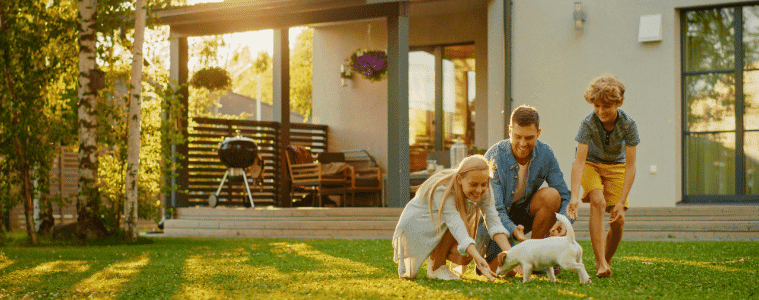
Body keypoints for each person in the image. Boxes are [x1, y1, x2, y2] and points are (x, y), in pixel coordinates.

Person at [480, 104, 573, 273]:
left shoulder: (545, 153)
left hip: (522, 215)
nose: (523, 143)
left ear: (538, 133)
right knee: (507, 271)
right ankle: (493, 260)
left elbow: (564, 194)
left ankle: (536, 258)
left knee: (552, 195)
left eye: (529, 137)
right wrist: (513, 231)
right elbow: (495, 209)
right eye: (518, 136)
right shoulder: (494, 157)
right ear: (510, 131)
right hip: (494, 220)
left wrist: (565, 221)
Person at [392, 155, 511, 282]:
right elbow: (455, 225)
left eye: (484, 184)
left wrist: (513, 255)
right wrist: (478, 258)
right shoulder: (443, 189)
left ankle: (435, 260)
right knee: (460, 230)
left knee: (464, 251)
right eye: (473, 184)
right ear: (460, 179)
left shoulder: (484, 189)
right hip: (417, 225)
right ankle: (437, 267)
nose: (479, 189)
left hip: (439, 224)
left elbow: (494, 222)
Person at [566, 75, 639, 278]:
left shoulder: (628, 124)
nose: (600, 111)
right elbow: (579, 161)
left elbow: (631, 165)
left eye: (606, 106)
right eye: (596, 105)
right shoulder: (588, 123)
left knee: (618, 221)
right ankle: (599, 262)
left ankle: (606, 260)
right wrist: (574, 197)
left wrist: (622, 201)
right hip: (591, 164)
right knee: (597, 201)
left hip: (617, 166)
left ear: (619, 103)